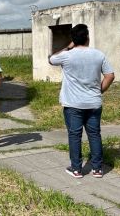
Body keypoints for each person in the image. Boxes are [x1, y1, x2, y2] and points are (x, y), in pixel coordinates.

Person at [49, 24, 115, 178]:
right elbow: (110, 75)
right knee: (94, 134)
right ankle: (97, 169)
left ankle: (77, 169)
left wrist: (68, 47)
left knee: (74, 135)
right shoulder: (98, 55)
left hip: (73, 104)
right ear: (87, 38)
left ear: (73, 39)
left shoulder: (67, 55)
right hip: (93, 102)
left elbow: (51, 59)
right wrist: (99, 90)